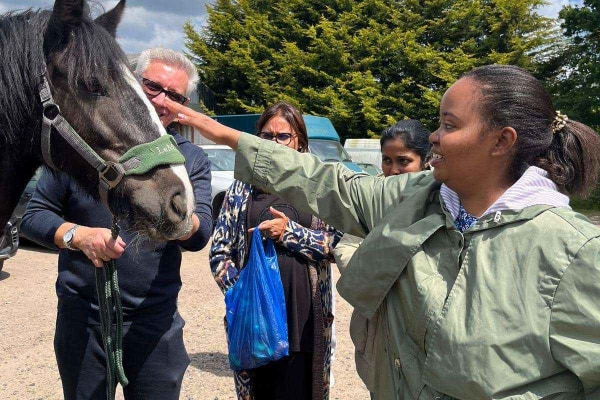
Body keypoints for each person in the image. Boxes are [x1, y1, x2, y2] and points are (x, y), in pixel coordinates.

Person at [167, 64, 600, 399]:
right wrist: (225, 135)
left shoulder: (573, 255)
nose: (433, 136)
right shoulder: (418, 197)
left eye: (449, 125)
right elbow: (329, 183)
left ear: (501, 141)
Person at [20, 47, 213, 400]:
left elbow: (200, 235)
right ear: (132, 84)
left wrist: (178, 221)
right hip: (85, 321)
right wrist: (76, 235)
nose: (162, 100)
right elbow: (32, 217)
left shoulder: (189, 158)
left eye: (175, 95)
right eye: (153, 87)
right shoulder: (82, 147)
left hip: (154, 323)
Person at [209, 102, 342, 400]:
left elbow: (335, 245)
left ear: (300, 141)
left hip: (304, 316)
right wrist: (241, 295)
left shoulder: (318, 185)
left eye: (283, 136)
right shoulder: (242, 188)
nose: (274, 143)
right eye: (266, 136)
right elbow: (219, 252)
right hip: (256, 320)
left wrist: (290, 233)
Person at [331, 120, 430, 398]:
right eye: (387, 160)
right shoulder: (372, 196)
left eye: (404, 161)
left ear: (426, 161)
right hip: (377, 318)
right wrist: (386, 274)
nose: (394, 169)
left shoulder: (439, 199)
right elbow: (346, 249)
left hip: (420, 317)